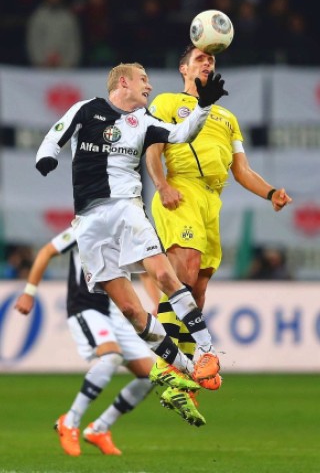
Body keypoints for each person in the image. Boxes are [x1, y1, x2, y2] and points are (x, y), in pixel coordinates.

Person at [34, 62, 227, 401]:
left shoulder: (146, 121)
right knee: (130, 311)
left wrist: (203, 107)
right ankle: (186, 367)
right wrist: (47, 155)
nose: (149, 87)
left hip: (127, 209)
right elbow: (56, 133)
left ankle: (207, 351)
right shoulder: (85, 109)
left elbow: (182, 134)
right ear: (123, 82)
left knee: (165, 277)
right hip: (89, 222)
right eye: (144, 80)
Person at [146, 44, 292, 422]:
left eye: (211, 59)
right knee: (186, 270)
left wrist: (271, 192)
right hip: (181, 191)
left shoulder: (227, 116)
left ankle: (184, 369)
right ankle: (168, 364)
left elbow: (241, 169)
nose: (207, 62)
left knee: (198, 289)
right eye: (199, 58)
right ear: (183, 68)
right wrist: (161, 185)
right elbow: (153, 147)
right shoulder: (166, 102)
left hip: (213, 199)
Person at [15, 226, 157, 456]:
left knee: (150, 376)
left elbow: (145, 271)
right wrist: (29, 292)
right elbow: (46, 252)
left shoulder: (126, 228)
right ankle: (69, 422)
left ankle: (99, 429)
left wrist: (157, 302)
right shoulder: (84, 226)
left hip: (118, 311)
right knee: (111, 357)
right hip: (86, 307)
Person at [26, 0, 82, 68]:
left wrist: (65, 62)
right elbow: (33, 43)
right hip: (41, 69)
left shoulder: (69, 17)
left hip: (65, 70)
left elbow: (74, 44)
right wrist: (43, 60)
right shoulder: (37, 16)